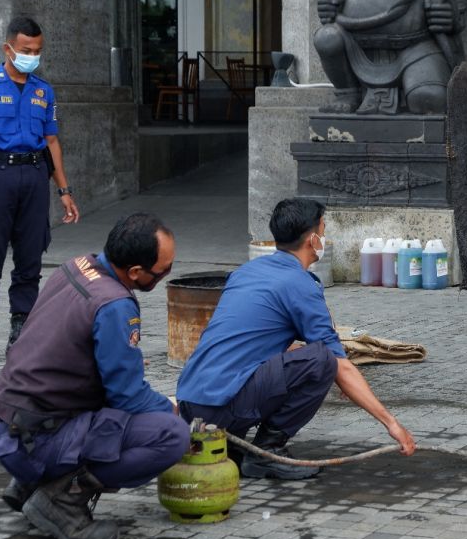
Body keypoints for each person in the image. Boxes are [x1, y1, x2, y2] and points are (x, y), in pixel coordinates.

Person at [0, 213, 189, 539]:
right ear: (135, 272)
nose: (166, 274)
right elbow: (128, 396)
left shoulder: (76, 266)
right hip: (34, 441)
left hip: (8, 426)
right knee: (170, 435)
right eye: (162, 271)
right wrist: (171, 409)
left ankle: (28, 485)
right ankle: (63, 501)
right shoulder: (115, 305)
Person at [176, 198, 416, 480]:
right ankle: (268, 450)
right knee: (322, 360)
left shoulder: (245, 272)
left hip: (191, 403)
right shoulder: (299, 285)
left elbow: (258, 335)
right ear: (313, 239)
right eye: (323, 231)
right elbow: (339, 364)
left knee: (309, 355)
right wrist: (392, 424)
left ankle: (229, 445)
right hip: (221, 406)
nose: (325, 238)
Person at [0, 16, 80, 365]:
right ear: (8, 48)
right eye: (25, 50)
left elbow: (52, 142)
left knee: (30, 256)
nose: (32, 56)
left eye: (37, 51)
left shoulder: (43, 90)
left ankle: (22, 327)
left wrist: (63, 190)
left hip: (34, 175)